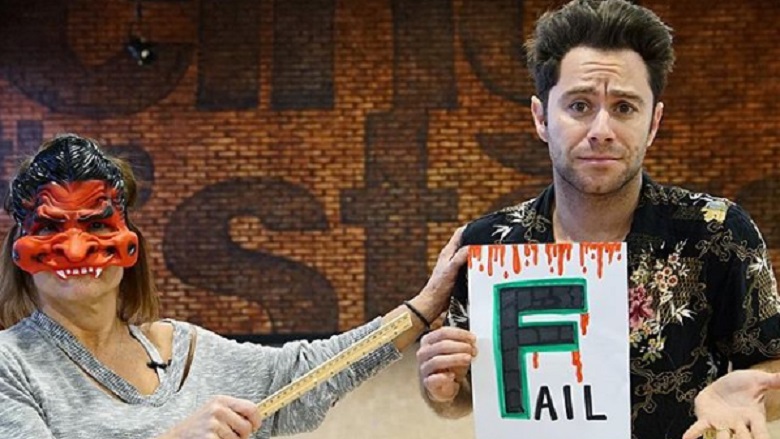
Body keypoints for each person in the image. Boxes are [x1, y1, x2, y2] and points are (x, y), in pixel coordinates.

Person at [415, 1, 780, 439]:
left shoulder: (717, 232)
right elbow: (467, 395)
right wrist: (442, 388)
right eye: (579, 105)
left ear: (653, 123)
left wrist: (753, 399)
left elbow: (770, 363)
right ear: (541, 118)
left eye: (624, 107)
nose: (601, 129)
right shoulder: (489, 245)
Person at [0, 133, 469, 439]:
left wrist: (423, 306)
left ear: (130, 242)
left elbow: (308, 371)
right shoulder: (10, 365)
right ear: (20, 246)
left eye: (98, 226)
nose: (76, 250)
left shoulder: (183, 352)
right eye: (50, 228)